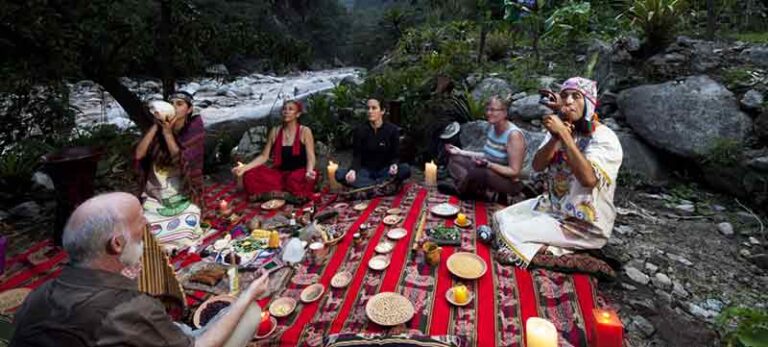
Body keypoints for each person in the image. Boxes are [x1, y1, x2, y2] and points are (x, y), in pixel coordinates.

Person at [11, 192, 269, 347]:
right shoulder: (129, 308)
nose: (146, 223)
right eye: (139, 220)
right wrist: (249, 295)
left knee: (183, 324)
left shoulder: (37, 295)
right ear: (117, 244)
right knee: (249, 313)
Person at [493, 77, 623, 268]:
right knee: (499, 218)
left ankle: (559, 253)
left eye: (576, 96)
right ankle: (551, 246)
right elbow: (537, 166)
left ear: (588, 104)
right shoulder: (560, 127)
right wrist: (555, 138)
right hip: (553, 207)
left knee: (509, 232)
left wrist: (564, 135)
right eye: (565, 96)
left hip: (582, 223)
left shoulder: (605, 138)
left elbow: (588, 180)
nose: (569, 101)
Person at [134, 91, 205, 252]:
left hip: (182, 194)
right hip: (156, 196)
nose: (174, 107)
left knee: (190, 220)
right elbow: (139, 154)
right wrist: (156, 126)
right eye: (172, 104)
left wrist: (167, 134)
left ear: (189, 110)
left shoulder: (194, 129)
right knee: (147, 229)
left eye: (180, 104)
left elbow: (182, 161)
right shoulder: (156, 130)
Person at [442, 96, 526, 199]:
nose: (488, 113)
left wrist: (489, 165)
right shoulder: (493, 127)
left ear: (505, 113)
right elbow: (487, 155)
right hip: (488, 169)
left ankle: (461, 190)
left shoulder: (514, 135)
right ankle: (474, 189)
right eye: (488, 109)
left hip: (508, 182)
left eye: (493, 110)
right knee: (455, 158)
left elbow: (514, 171)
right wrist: (460, 152)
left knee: (478, 171)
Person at [232, 100, 318, 200]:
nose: (286, 111)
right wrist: (245, 168)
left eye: (290, 109)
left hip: (299, 173)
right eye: (284, 109)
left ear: (298, 114)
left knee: (294, 180)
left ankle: (281, 192)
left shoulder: (305, 131)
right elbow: (264, 156)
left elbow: (311, 156)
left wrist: (309, 171)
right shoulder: (275, 131)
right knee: (251, 175)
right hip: (279, 174)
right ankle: (285, 193)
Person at [335, 98, 411, 189]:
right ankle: (380, 185)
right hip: (366, 171)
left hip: (385, 170)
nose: (370, 111)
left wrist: (394, 165)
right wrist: (353, 170)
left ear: (382, 111)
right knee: (340, 174)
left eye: (374, 108)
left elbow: (395, 155)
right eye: (368, 108)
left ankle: (369, 186)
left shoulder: (392, 130)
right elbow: (357, 156)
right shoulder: (360, 130)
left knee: (405, 169)